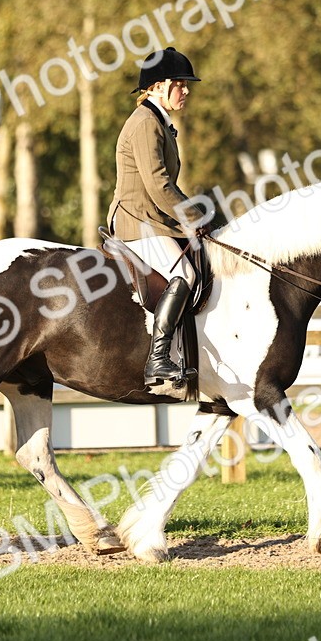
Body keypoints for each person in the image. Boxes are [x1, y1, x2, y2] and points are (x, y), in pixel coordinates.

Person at [107, 47, 210, 387]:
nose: (187, 90)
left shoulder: (157, 122)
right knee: (185, 274)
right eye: (181, 84)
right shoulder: (145, 124)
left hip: (152, 219)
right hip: (139, 220)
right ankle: (159, 359)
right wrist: (195, 217)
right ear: (160, 86)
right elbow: (159, 185)